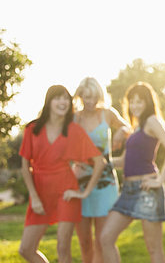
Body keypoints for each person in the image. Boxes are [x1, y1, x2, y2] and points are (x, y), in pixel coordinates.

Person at [18, 85, 106, 263]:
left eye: (66, 98)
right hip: (40, 193)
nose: (63, 102)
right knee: (26, 249)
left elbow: (100, 162)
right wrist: (33, 196)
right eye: (58, 98)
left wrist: (83, 193)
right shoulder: (32, 129)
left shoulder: (73, 130)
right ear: (49, 102)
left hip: (66, 192)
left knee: (63, 247)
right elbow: (25, 165)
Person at [100, 82, 165, 263]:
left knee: (154, 249)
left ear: (148, 103)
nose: (135, 106)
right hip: (128, 190)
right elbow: (123, 161)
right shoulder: (136, 127)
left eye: (140, 101)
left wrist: (159, 180)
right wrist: (101, 161)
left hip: (147, 190)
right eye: (132, 102)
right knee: (106, 238)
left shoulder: (152, 121)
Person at [72, 77, 132, 263]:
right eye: (85, 97)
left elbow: (128, 127)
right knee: (84, 243)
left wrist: (121, 132)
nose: (89, 101)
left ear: (99, 95)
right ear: (80, 96)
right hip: (79, 182)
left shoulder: (107, 114)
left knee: (102, 240)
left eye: (93, 97)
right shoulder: (74, 117)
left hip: (105, 184)